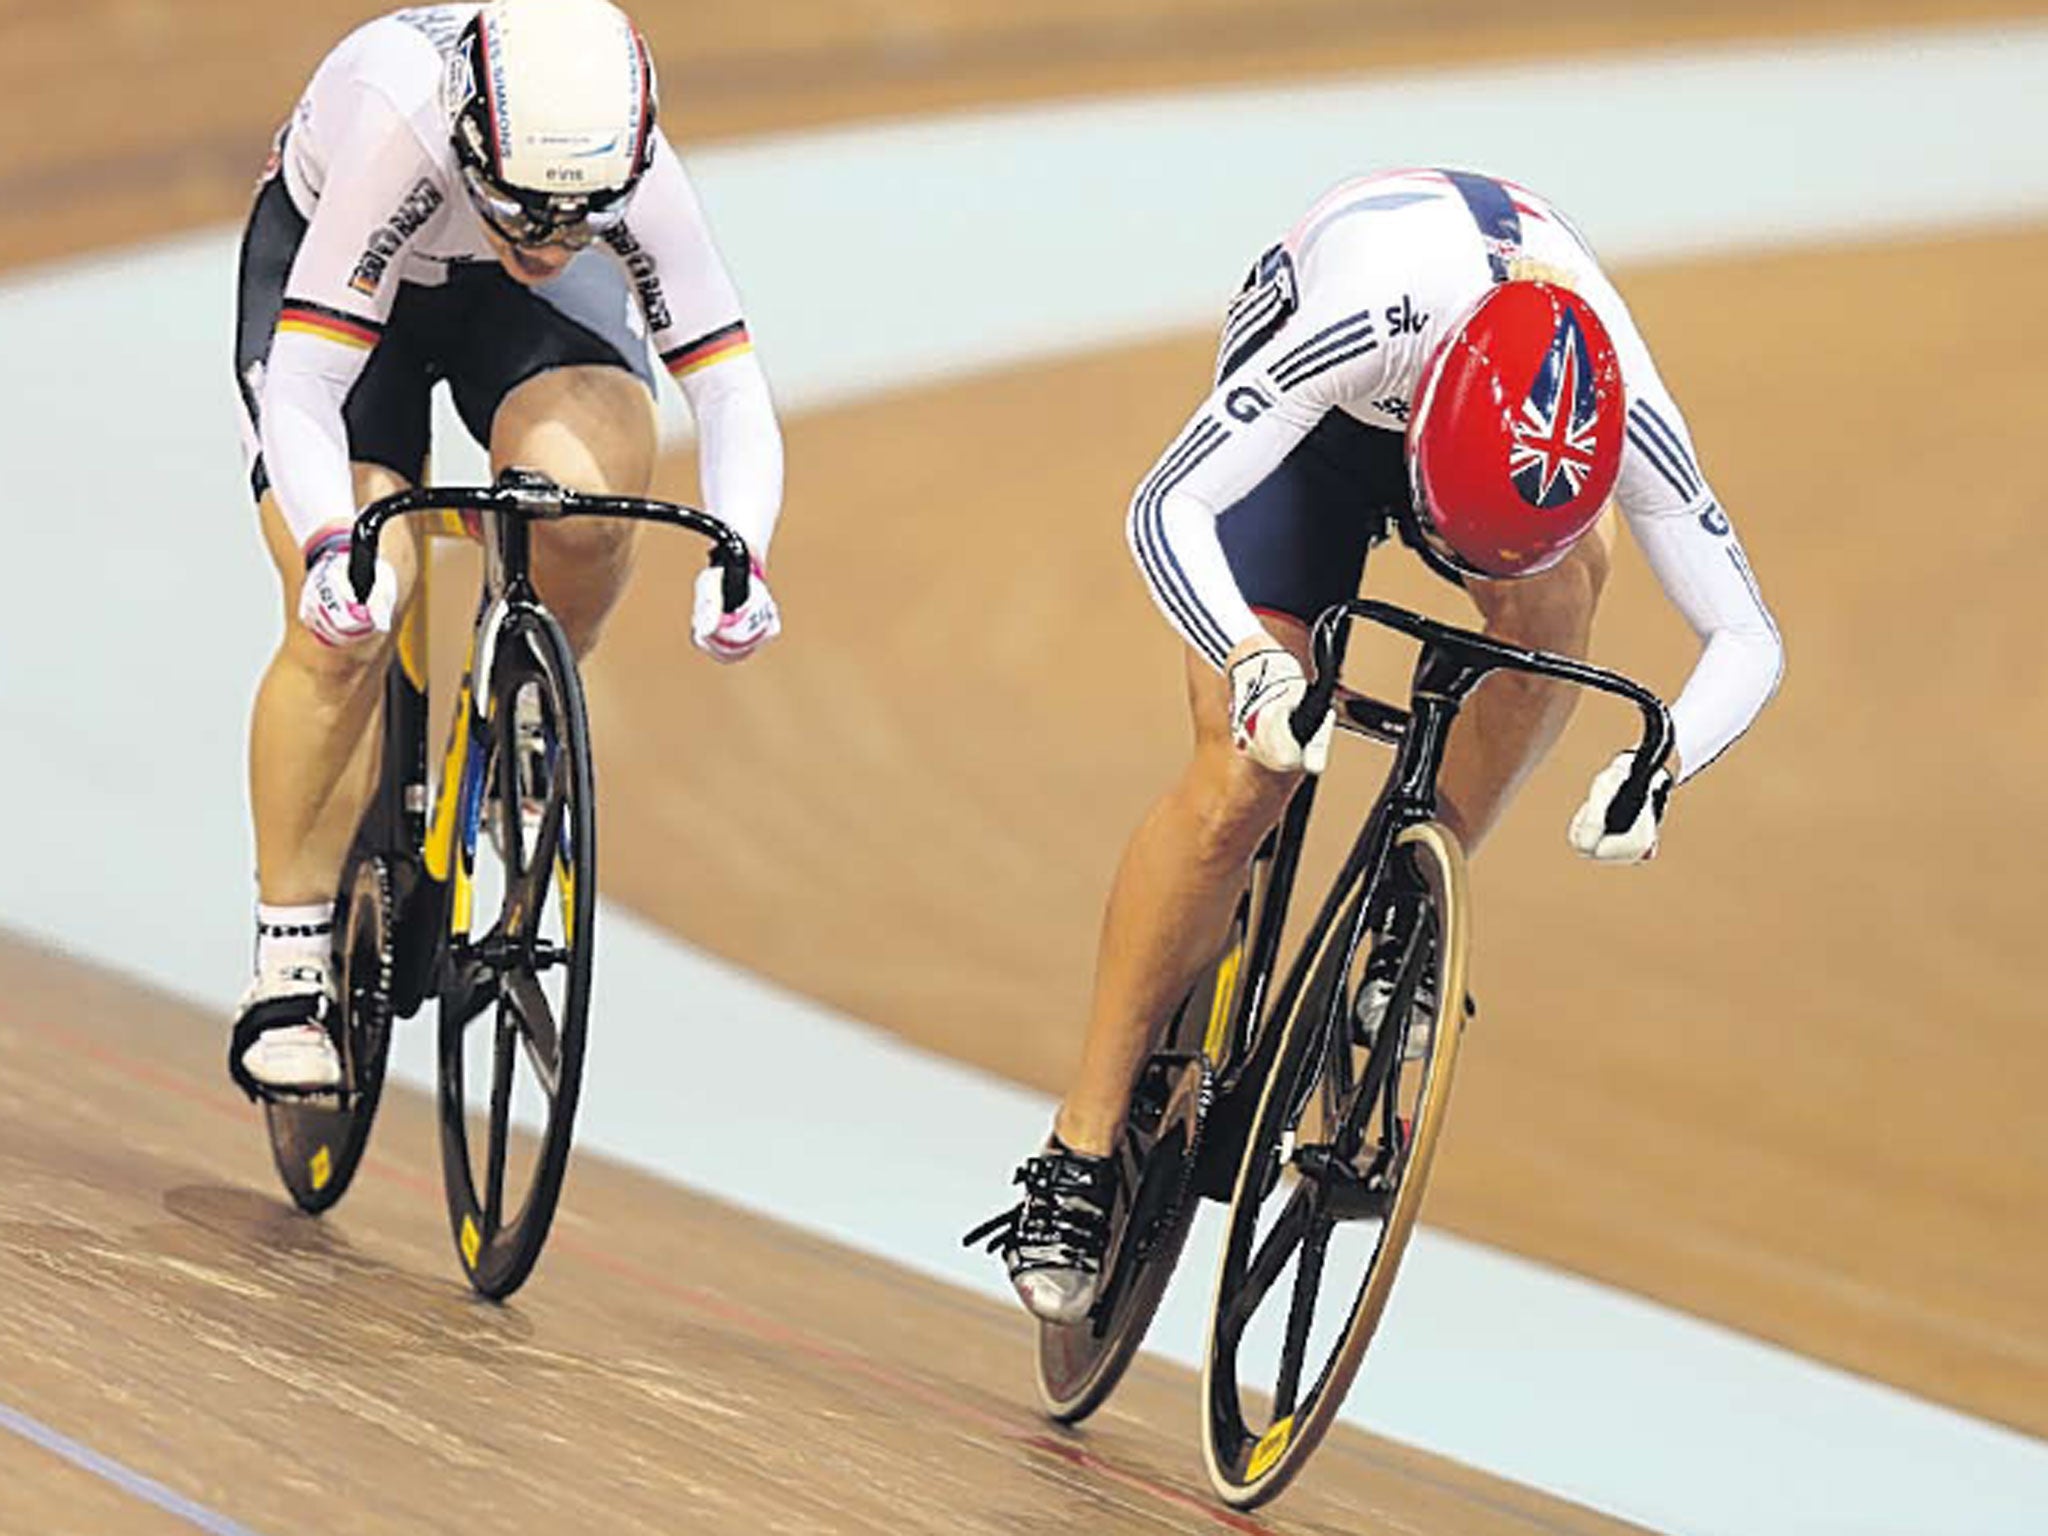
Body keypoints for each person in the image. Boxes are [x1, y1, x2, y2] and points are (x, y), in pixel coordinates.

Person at [974, 168, 1784, 1323]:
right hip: (1322, 431)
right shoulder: (1365, 319)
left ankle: (1410, 891)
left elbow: (1746, 636)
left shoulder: (1627, 406)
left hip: (1481, 442)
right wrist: (1252, 667)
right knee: (1240, 780)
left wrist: (1663, 764)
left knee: (1561, 599)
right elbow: (1164, 509)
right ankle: (1083, 1143)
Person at [230, 0, 785, 1094]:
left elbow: (726, 386)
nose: (550, 245)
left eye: (578, 223)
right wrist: (333, 538)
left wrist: (745, 555)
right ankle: (287, 955)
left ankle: (524, 699)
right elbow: (304, 384)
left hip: (498, 312)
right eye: (527, 216)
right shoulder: (402, 126)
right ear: (474, 141)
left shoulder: (618, 167)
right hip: (342, 279)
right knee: (351, 603)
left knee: (587, 498)